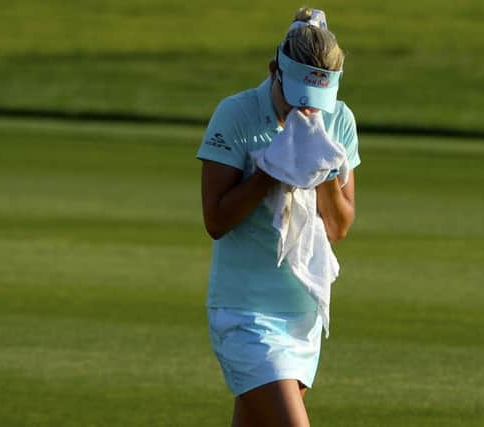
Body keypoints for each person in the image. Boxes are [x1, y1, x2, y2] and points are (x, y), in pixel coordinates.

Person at [197, 7, 360, 427]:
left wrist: (320, 168)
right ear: (275, 71)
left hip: (302, 317)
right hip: (245, 314)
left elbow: (338, 227)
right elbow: (215, 219)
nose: (308, 110)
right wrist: (271, 170)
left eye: (317, 100)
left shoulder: (339, 120)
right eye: (298, 95)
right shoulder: (235, 115)